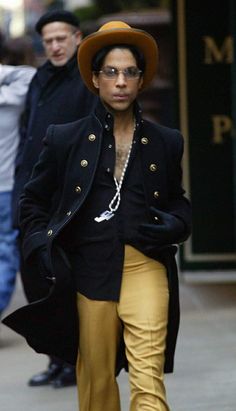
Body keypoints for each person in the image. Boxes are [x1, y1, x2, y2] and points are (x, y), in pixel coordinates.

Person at [7, 21, 191, 410]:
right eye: (111, 72)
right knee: (96, 382)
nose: (120, 81)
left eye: (130, 72)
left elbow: (178, 200)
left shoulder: (165, 141)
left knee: (148, 377)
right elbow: (32, 200)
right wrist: (40, 244)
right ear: (95, 79)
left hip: (146, 265)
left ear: (141, 81)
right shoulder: (65, 138)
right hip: (88, 270)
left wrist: (178, 223)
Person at [11, 9, 97, 388]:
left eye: (61, 38)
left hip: (68, 200)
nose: (55, 46)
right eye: (48, 41)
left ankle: (73, 360)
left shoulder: (87, 80)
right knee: (36, 281)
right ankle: (54, 358)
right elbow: (27, 131)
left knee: (66, 281)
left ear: (77, 37)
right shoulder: (39, 79)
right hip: (32, 196)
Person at [0, 36, 36, 321]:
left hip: (5, 186)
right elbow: (30, 74)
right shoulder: (14, 93)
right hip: (5, 186)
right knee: (6, 253)